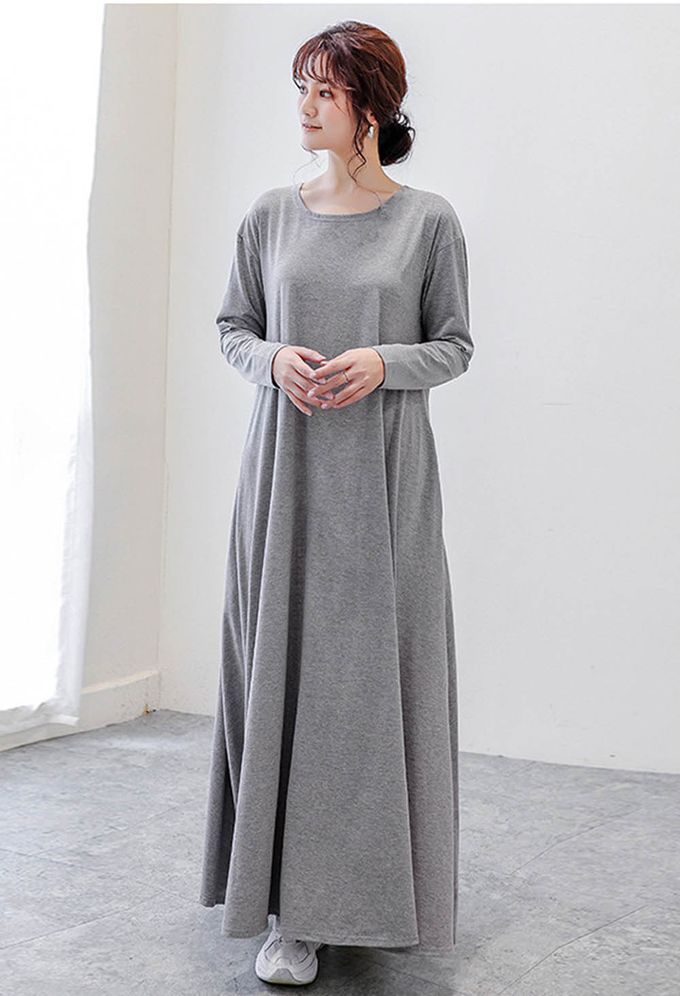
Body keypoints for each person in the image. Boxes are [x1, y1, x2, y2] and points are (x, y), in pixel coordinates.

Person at [199, 19, 474, 987]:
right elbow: (231, 326)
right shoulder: (270, 216)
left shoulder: (427, 222)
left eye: (324, 90)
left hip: (384, 489)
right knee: (280, 676)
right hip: (283, 482)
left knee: (365, 691)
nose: (306, 107)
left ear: (370, 105)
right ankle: (289, 914)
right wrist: (273, 357)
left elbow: (454, 345)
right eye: (302, 89)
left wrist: (382, 363)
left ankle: (369, 897)